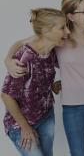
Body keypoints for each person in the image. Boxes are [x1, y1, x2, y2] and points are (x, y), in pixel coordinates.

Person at [4, 0, 84, 156]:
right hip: (71, 108)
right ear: (71, 16)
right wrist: (7, 59)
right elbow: (25, 43)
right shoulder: (58, 41)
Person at [1, 8, 69, 156]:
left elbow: (39, 78)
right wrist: (25, 127)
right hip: (20, 124)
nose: (68, 32)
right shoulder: (25, 56)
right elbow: (6, 95)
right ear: (46, 31)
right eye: (63, 28)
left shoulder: (51, 51)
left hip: (46, 116)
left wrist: (53, 85)